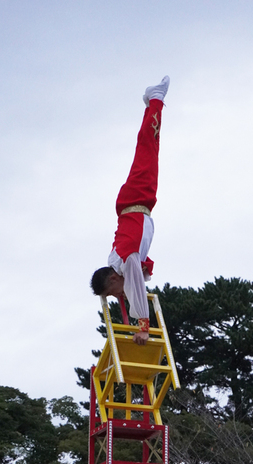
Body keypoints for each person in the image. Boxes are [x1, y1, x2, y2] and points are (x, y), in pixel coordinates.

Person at [90, 76, 170, 345]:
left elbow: (136, 284)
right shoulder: (122, 262)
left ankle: (155, 99)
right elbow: (135, 283)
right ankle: (152, 104)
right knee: (149, 149)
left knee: (148, 148)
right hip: (138, 206)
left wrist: (143, 327)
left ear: (113, 279)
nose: (119, 296)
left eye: (114, 292)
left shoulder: (126, 260)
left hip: (135, 200)